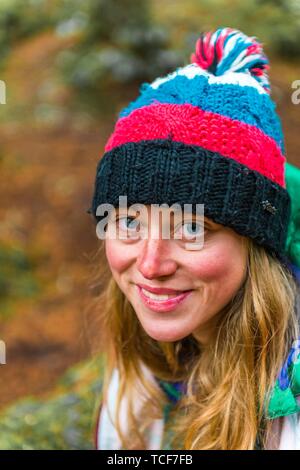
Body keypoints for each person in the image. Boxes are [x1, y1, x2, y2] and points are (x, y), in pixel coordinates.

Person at [88, 26, 300, 450]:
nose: (150, 266)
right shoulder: (141, 357)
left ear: (257, 244)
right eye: (129, 223)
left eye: (192, 229)